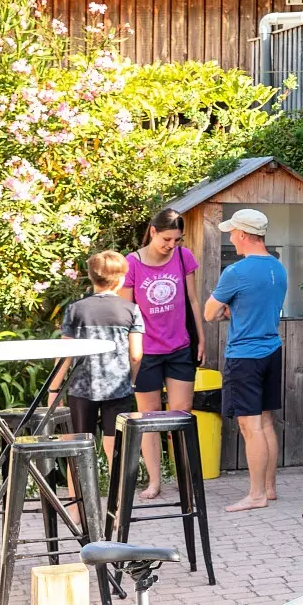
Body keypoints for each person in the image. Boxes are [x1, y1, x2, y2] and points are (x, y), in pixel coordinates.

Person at [204, 208, 288, 512]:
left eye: (232, 233)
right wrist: (235, 310)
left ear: (242, 234)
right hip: (272, 350)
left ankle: (255, 495)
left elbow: (209, 313)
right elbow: (259, 306)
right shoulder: (278, 268)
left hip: (244, 356)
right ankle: (269, 488)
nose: (230, 239)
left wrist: (227, 310)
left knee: (250, 426)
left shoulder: (235, 272)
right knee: (265, 422)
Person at [122, 207, 200, 499]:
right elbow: (126, 313)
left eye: (177, 239)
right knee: (149, 417)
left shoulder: (183, 257)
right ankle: (155, 481)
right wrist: (131, 354)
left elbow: (193, 300)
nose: (171, 245)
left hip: (180, 347)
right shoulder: (132, 263)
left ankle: (184, 478)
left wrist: (201, 338)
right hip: (147, 351)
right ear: (153, 232)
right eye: (167, 239)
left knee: (181, 415)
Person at [53, 251, 144, 468]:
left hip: (82, 387)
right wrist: (131, 381)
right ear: (121, 279)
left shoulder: (75, 309)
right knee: (116, 447)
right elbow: (136, 355)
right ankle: (117, 489)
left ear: (91, 276)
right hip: (118, 387)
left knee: (79, 447)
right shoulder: (131, 310)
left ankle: (77, 491)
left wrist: (54, 390)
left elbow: (66, 352)